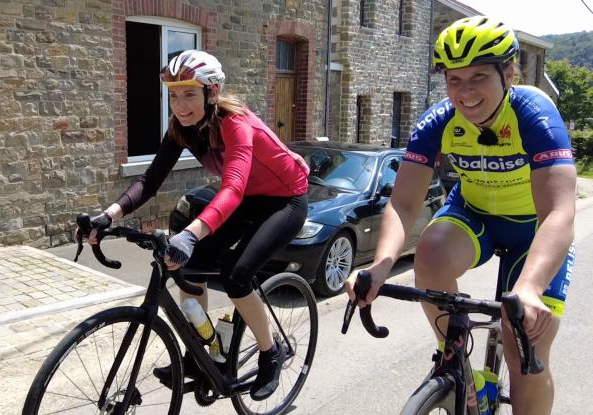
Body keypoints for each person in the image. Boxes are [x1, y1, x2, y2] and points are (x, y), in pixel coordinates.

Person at [345, 16, 576, 415]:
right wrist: (380, 267)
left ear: (509, 73)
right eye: (454, 79)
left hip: (534, 231)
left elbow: (559, 210)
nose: (465, 93)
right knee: (429, 253)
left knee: (526, 351)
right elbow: (403, 203)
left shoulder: (534, 113)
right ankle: (462, 369)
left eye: (478, 77)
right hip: (475, 217)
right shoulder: (438, 121)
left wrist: (531, 288)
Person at [82, 50, 309, 401]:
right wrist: (108, 215)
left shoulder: (235, 123)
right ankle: (200, 353)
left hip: (285, 200)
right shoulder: (180, 129)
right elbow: (151, 179)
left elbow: (232, 188)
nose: (180, 104)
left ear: (212, 92)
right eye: (173, 95)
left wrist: (190, 234)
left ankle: (270, 352)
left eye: (189, 94)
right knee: (191, 270)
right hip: (246, 198)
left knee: (237, 276)